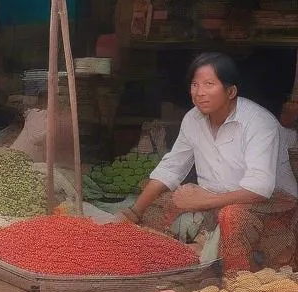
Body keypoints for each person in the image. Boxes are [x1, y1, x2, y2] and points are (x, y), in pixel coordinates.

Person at [125, 53, 298, 272]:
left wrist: (202, 201)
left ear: (230, 91)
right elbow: (171, 167)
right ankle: (184, 264)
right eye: (194, 84)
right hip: (218, 198)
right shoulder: (192, 119)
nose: (199, 93)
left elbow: (259, 188)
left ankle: (237, 283)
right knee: (157, 205)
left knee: (233, 216)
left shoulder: (258, 122)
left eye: (209, 84)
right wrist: (134, 212)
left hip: (273, 201)